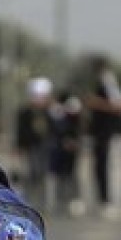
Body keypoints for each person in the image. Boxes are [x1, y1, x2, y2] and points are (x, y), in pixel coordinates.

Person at [85, 55, 121, 219]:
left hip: (110, 133)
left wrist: (97, 103)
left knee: (111, 169)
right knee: (101, 168)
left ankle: (112, 203)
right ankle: (104, 200)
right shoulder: (100, 82)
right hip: (101, 134)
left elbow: (117, 105)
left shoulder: (108, 81)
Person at [15, 76, 54, 208]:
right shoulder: (25, 113)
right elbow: (20, 132)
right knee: (32, 173)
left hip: (44, 146)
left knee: (42, 173)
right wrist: (19, 147)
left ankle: (43, 202)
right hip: (30, 146)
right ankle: (29, 200)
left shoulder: (49, 112)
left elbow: (53, 129)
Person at [48, 88, 85, 216]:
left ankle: (72, 201)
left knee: (70, 175)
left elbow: (76, 128)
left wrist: (73, 141)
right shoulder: (57, 111)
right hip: (60, 149)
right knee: (62, 176)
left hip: (70, 149)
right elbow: (57, 130)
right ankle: (62, 202)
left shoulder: (71, 109)